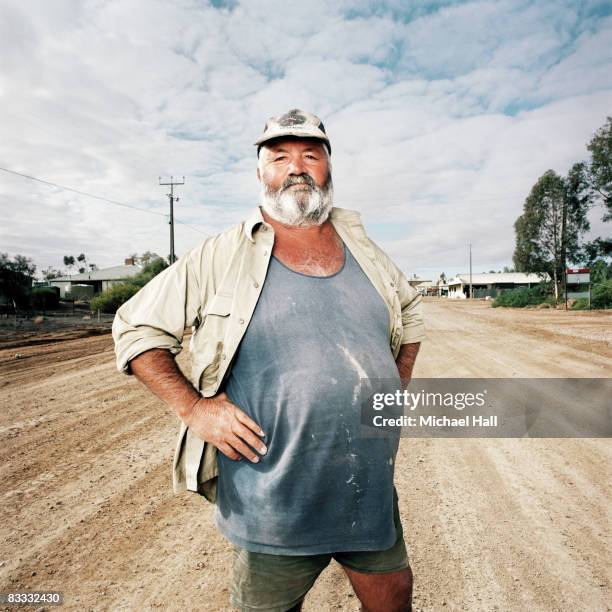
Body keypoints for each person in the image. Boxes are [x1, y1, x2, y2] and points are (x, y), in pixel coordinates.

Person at [112, 108, 425, 612]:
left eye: (310, 155)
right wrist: (195, 409)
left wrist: (397, 382)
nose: (296, 167)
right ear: (260, 173)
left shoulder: (364, 248)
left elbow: (409, 309)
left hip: (367, 491)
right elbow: (136, 326)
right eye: (279, 157)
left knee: (394, 598)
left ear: (328, 170)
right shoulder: (222, 253)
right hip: (274, 500)